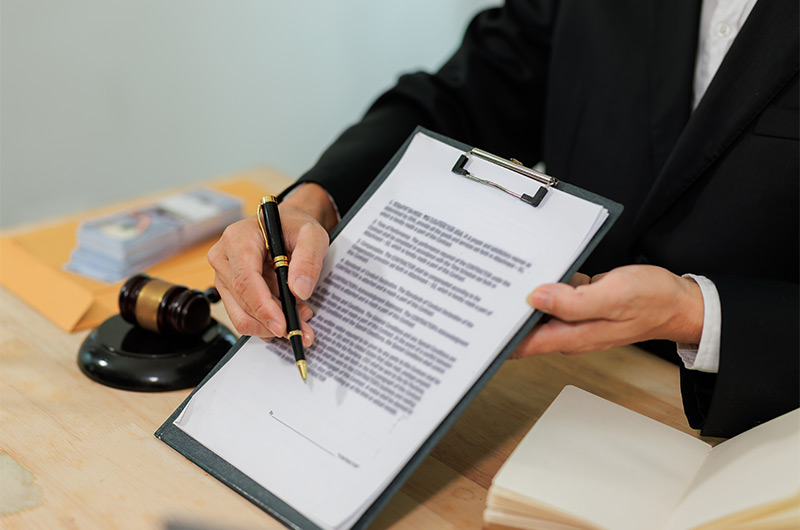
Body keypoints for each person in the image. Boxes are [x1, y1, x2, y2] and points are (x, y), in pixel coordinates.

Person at [208, 0, 799, 438]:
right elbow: (472, 92)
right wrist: (316, 198)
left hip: (759, 428)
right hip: (557, 394)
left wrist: (695, 313)